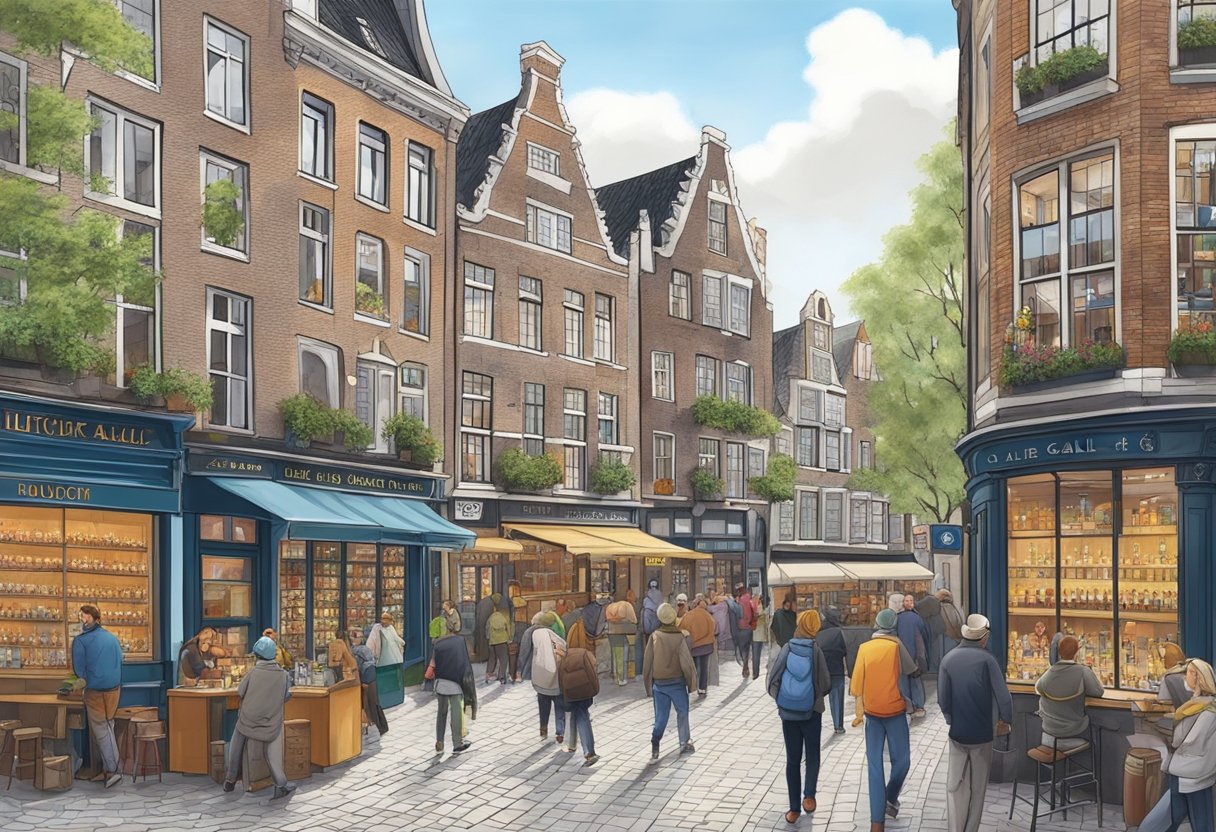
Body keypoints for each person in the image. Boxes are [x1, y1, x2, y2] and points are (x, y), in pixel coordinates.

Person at [937, 614, 1012, 832]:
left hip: (957, 733)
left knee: (955, 785)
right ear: (984, 637)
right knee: (978, 790)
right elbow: (1004, 698)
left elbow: (943, 700)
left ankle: (955, 828)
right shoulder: (988, 660)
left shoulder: (948, 659)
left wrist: (952, 720)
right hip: (982, 735)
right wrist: (1005, 721)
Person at [851, 608, 917, 832]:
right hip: (895, 712)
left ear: (877, 625)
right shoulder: (896, 646)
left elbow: (856, 684)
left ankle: (876, 822)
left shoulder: (864, 649)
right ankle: (890, 796)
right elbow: (911, 671)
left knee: (874, 765)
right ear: (894, 625)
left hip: (872, 713)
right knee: (903, 760)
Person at [768, 609, 831, 825]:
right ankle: (809, 796)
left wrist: (783, 700)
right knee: (812, 755)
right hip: (811, 713)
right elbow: (825, 683)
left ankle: (793, 808)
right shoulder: (816, 650)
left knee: (792, 760)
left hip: (789, 714)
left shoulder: (788, 647)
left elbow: (772, 678)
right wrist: (812, 699)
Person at [1138, 658, 1216, 832]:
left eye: (1187, 673)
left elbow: (1186, 741)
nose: (1183, 678)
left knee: (1163, 821)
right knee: (1197, 820)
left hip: (1190, 772)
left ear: (1197, 677)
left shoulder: (1201, 709)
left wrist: (1164, 731)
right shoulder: (1205, 705)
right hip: (1199, 771)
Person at [222, 636, 296, 799]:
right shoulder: (283, 675)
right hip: (270, 723)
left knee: (236, 744)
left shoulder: (253, 672)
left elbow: (240, 691)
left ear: (257, 655)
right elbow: (285, 696)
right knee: (273, 751)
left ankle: (230, 779)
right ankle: (280, 784)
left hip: (248, 720)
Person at [73, 604, 124, 789]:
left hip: (94, 690)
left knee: (101, 730)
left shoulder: (80, 641)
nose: (83, 620)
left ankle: (114, 769)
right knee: (108, 725)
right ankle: (109, 770)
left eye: (84, 617)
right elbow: (121, 659)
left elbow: (79, 672)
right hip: (114, 689)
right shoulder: (112, 638)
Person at [644, 603, 697, 760]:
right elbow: (686, 662)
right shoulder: (680, 637)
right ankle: (684, 741)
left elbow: (647, 662)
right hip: (677, 682)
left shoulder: (654, 636)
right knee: (682, 711)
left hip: (659, 683)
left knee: (661, 717)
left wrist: (648, 684)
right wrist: (691, 681)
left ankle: (655, 742)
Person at [1034, 635, 1102, 752]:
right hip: (1073, 731)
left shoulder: (1049, 673)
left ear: (1059, 653)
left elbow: (1038, 688)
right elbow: (1098, 692)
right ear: (1077, 652)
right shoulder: (1083, 671)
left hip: (1048, 732)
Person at [431, 616, 476, 754]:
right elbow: (463, 662)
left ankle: (439, 742)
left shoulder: (437, 644)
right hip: (455, 683)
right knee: (456, 712)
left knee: (441, 713)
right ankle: (457, 743)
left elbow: (433, 664)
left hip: (440, 683)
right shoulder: (459, 641)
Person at [559, 644, 600, 766]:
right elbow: (592, 673)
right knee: (583, 717)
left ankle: (571, 745)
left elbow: (560, 677)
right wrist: (595, 689)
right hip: (584, 691)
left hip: (571, 692)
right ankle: (589, 753)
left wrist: (564, 694)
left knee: (575, 713)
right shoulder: (585, 654)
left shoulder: (565, 657)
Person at [529, 615, 568, 744]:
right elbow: (564, 645)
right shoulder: (553, 634)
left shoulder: (535, 634)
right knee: (559, 705)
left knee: (543, 704)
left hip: (540, 675)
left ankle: (543, 729)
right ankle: (560, 732)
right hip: (556, 678)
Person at [895, 594, 930, 718]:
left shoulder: (897, 618)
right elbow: (924, 636)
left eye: (911, 600)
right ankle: (919, 705)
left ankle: (908, 706)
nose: (909, 602)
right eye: (907, 600)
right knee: (915, 681)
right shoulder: (917, 618)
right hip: (914, 656)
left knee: (903, 682)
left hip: (901, 655)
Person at [817, 605, 849, 734]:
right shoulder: (840, 632)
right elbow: (845, 650)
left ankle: (814, 724)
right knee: (837, 698)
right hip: (836, 669)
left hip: (820, 669)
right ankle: (838, 725)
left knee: (816, 698)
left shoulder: (817, 631)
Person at [680, 596, 717, 697]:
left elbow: (682, 628)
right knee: (704, 667)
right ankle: (703, 688)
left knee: (694, 666)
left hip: (694, 645)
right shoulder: (708, 616)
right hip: (707, 645)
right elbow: (715, 628)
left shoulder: (689, 615)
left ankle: (692, 686)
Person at [366, 611, 405, 706]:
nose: (383, 621)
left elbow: (396, 639)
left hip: (394, 660)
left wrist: (402, 643)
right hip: (382, 660)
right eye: (382, 619)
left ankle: (393, 699)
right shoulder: (377, 628)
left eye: (386, 619)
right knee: (383, 682)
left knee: (392, 680)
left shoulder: (391, 628)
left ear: (390, 621)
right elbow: (370, 644)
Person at [351, 639, 388, 736]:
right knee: (372, 704)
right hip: (368, 679)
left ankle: (380, 727)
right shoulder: (361, 650)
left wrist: (365, 680)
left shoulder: (358, 651)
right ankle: (381, 727)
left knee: (371, 704)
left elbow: (367, 665)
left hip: (368, 679)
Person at [606, 595, 638, 686]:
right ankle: (622, 678)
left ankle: (616, 676)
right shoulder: (626, 606)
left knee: (615, 655)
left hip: (612, 633)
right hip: (625, 633)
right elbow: (634, 621)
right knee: (624, 657)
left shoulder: (609, 609)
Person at [485, 593, 511, 684]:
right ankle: (502, 677)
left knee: (492, 658)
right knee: (503, 659)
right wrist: (509, 638)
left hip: (492, 641)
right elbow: (508, 627)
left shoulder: (491, 617)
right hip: (502, 640)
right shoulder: (504, 616)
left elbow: (487, 629)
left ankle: (488, 675)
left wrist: (489, 639)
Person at [735, 585, 759, 679]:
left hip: (740, 628)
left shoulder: (739, 601)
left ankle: (745, 666)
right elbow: (754, 611)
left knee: (742, 649)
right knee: (747, 648)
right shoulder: (750, 599)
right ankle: (746, 666)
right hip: (749, 627)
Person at [937, 589, 965, 661]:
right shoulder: (953, 607)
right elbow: (957, 622)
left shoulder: (940, 607)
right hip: (955, 638)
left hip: (946, 637)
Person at [472, 590, 495, 662]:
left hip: (481, 625)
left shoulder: (482, 602)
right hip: (486, 625)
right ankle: (485, 655)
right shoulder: (491, 603)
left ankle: (481, 654)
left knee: (482, 637)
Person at [754, 594, 772, 662]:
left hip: (759, 633)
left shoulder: (760, 607)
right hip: (759, 633)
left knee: (758, 652)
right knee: (758, 652)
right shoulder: (760, 607)